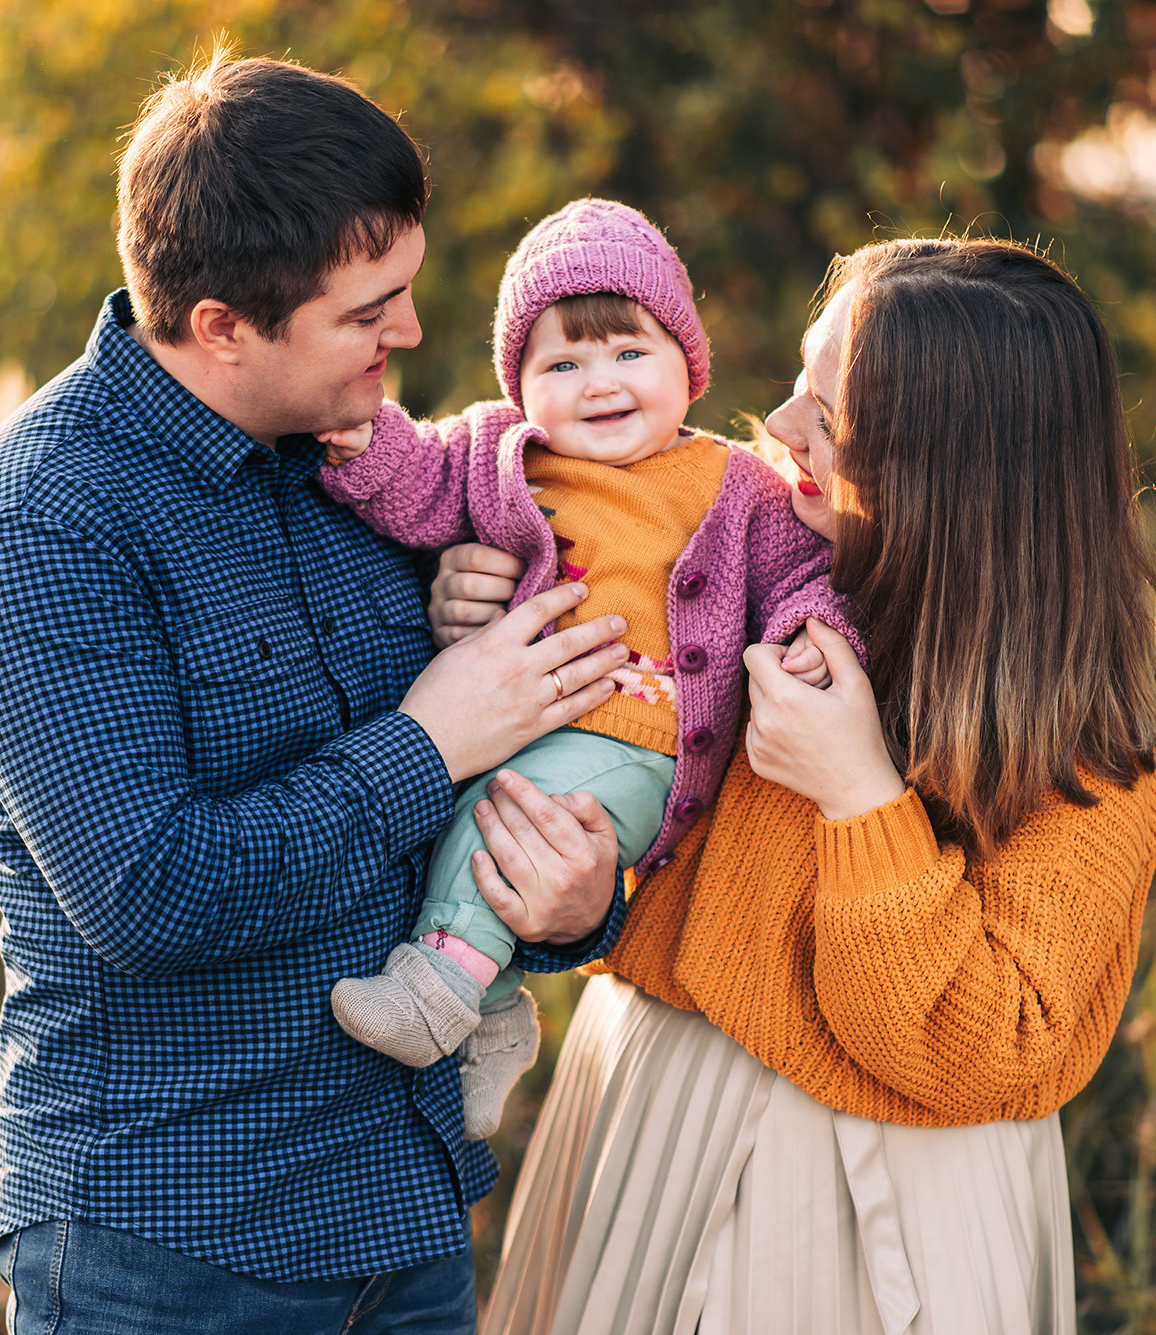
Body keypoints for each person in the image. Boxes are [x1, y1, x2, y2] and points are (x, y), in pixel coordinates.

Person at [0, 53, 629, 1334]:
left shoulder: (376, 468)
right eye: (369, 313)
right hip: (174, 1244)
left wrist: (580, 904)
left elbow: (503, 773)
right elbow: (152, 891)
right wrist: (428, 736)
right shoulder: (42, 524)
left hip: (405, 1219)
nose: (408, 336)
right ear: (220, 327)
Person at [433, 238, 1156, 1333]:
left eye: (826, 417)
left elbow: (990, 1053)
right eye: (794, 380)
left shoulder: (1083, 751)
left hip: (895, 1207)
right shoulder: (732, 572)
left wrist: (858, 800)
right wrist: (487, 588)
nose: (776, 425)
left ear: (944, 466)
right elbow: (641, 819)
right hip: (653, 1110)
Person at [314, 198, 862, 1140]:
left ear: (687, 364)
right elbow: (419, 477)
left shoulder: (737, 485)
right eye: (560, 364)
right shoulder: (503, 455)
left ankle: (440, 984)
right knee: (469, 808)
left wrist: (816, 631)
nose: (598, 382)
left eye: (627, 353)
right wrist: (367, 445)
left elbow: (807, 576)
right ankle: (491, 1018)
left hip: (641, 737)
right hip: (524, 712)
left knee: (509, 812)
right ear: (519, 386)